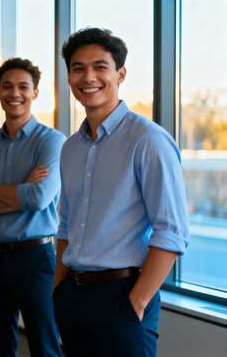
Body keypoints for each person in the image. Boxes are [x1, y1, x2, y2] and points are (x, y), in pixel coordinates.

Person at [53, 27, 189, 357]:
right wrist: (57, 290)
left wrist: (135, 304)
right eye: (78, 68)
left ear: (120, 73)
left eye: (100, 67)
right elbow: (67, 226)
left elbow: (171, 232)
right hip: (73, 294)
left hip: (123, 296)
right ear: (69, 77)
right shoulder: (70, 148)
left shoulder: (148, 141)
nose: (89, 77)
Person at [0, 57, 65, 357]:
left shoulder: (53, 141)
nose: (15, 93)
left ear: (36, 93)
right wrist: (21, 192)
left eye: (23, 86)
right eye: (7, 87)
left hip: (36, 258)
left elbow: (39, 198)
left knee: (45, 345)